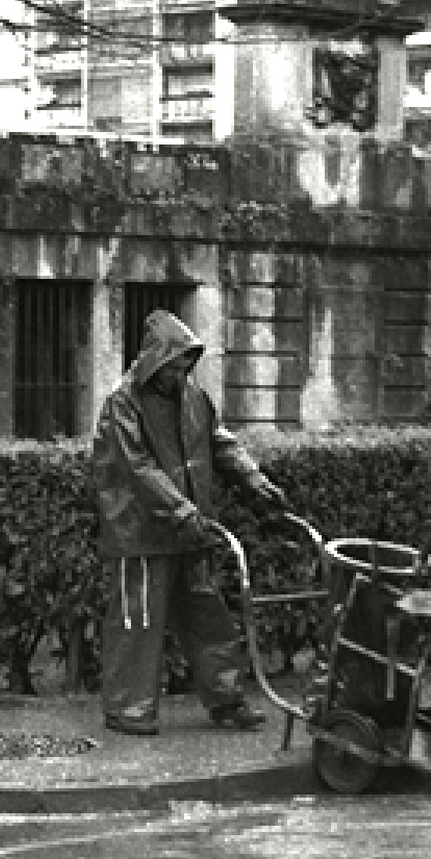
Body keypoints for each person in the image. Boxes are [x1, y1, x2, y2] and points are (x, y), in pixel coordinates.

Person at [92, 309, 287, 737]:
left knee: (207, 613)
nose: (179, 373)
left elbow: (218, 441)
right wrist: (183, 511)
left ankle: (226, 698)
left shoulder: (193, 396)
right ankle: (128, 707)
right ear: (155, 360)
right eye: (173, 365)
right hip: (141, 530)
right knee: (138, 620)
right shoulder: (123, 402)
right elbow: (138, 468)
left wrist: (253, 478)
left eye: (184, 365)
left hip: (190, 526)